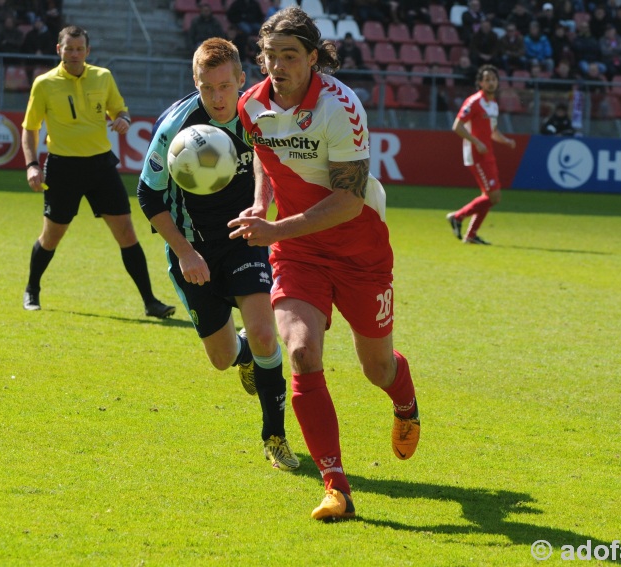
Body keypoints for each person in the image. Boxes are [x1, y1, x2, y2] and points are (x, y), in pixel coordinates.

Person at [228, 6, 421, 521]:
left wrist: (272, 229)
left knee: (377, 369)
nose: (278, 66)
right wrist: (261, 206)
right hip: (298, 250)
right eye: (269, 56)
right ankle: (336, 486)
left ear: (313, 58)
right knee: (302, 352)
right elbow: (268, 161)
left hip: (359, 251)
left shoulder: (341, 106)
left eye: (289, 55)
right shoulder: (251, 107)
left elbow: (349, 200)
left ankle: (404, 402)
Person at [136, 38, 300, 472]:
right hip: (194, 252)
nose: (218, 97)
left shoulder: (258, 116)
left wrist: (263, 210)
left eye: (226, 86)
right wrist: (185, 252)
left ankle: (275, 436)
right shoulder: (175, 126)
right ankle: (243, 354)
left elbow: (272, 161)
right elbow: (147, 196)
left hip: (245, 241)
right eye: (208, 88)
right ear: (196, 84)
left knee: (267, 333)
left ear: (242, 79)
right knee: (223, 357)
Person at [21, 25, 175, 318]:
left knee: (127, 232)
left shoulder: (103, 77)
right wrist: (31, 165)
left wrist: (123, 120)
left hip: (100, 166)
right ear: (59, 50)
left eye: (80, 49)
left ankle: (150, 302)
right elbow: (29, 129)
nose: (75, 54)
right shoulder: (44, 83)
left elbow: (120, 110)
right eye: (69, 49)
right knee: (52, 236)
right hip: (63, 168)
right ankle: (32, 289)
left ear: (88, 51)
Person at [446, 64, 516, 245]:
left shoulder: (493, 104)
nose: (491, 83)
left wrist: (506, 140)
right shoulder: (474, 102)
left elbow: (492, 131)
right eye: (487, 80)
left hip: (488, 154)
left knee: (489, 197)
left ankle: (471, 235)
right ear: (480, 83)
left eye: (493, 79)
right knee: (494, 196)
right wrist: (476, 142)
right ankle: (458, 217)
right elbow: (457, 126)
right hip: (475, 154)